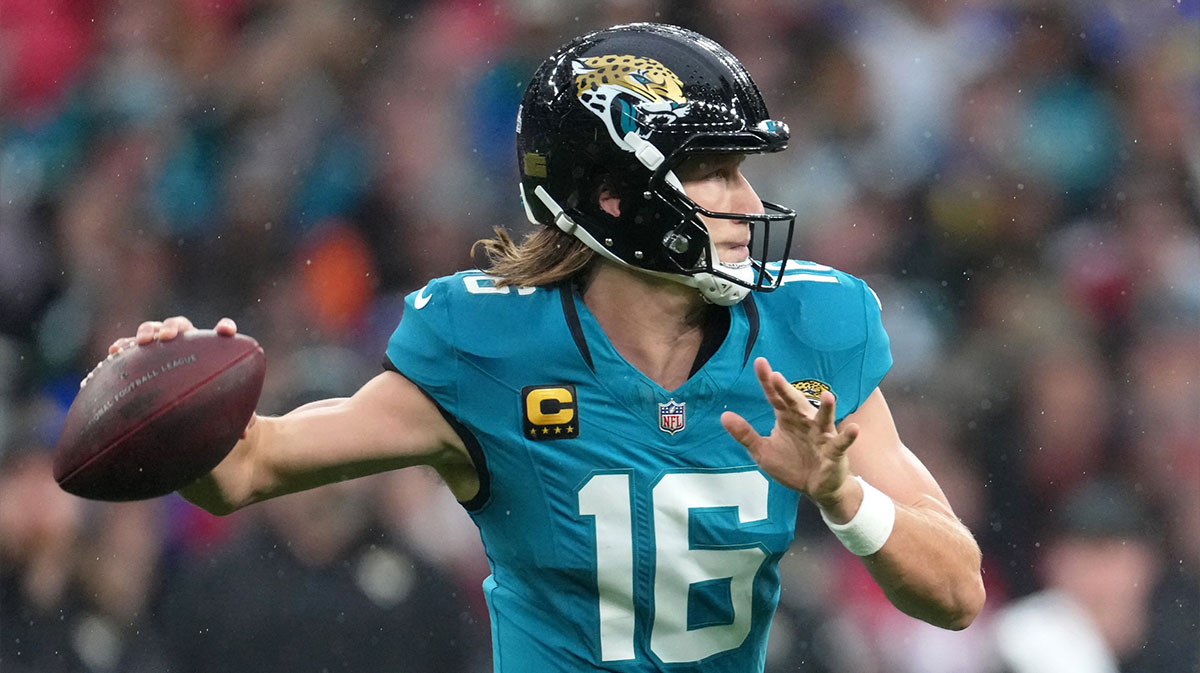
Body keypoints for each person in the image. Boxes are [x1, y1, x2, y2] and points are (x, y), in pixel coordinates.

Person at [104, 23, 984, 672]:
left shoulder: (809, 332)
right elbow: (246, 471)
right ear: (611, 196)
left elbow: (955, 591)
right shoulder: (489, 348)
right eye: (714, 171)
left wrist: (840, 490)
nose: (750, 203)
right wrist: (169, 395)